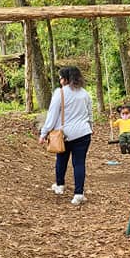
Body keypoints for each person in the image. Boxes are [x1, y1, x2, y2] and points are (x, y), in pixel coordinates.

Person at [39, 66, 94, 205]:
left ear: (65, 79)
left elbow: (52, 114)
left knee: (61, 159)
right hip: (84, 133)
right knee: (79, 163)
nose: (60, 80)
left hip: (65, 134)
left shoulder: (60, 93)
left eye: (60, 77)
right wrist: (91, 127)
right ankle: (79, 194)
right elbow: (90, 113)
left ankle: (60, 185)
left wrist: (44, 132)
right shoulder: (84, 93)